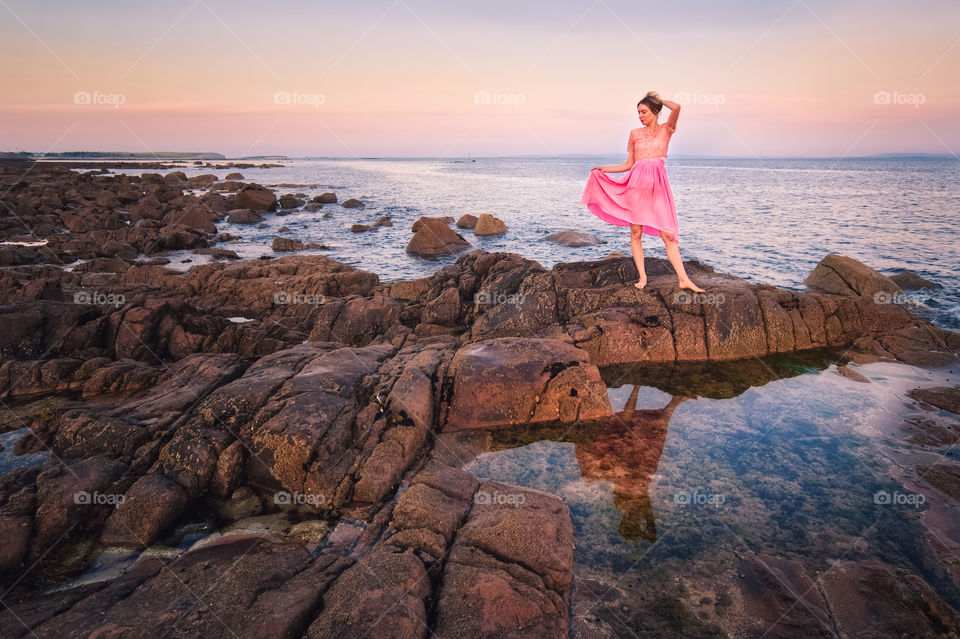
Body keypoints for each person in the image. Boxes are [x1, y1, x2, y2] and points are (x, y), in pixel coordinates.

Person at [581, 91, 704, 292]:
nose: (640, 115)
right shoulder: (635, 134)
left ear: (655, 111)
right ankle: (643, 277)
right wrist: (605, 169)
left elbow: (677, 107)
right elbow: (629, 164)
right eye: (638, 112)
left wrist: (658, 100)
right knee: (636, 233)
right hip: (636, 188)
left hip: (658, 188)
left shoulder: (667, 129)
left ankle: (684, 279)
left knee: (669, 235)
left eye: (644, 111)